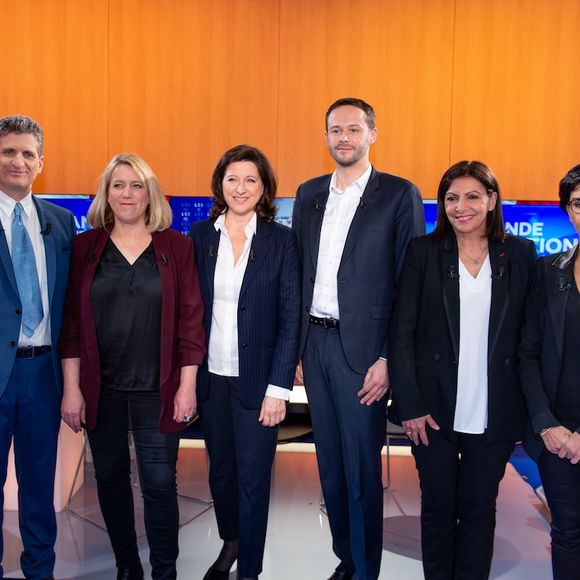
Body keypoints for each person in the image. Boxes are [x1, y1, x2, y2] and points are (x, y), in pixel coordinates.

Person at [292, 97, 424, 580]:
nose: (343, 137)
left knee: (363, 471)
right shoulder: (308, 195)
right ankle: (346, 559)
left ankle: (366, 569)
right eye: (334, 129)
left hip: (365, 353)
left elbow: (410, 284)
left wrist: (390, 355)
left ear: (372, 134)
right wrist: (298, 349)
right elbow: (299, 273)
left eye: (353, 128)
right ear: (325, 136)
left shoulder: (398, 194)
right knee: (329, 466)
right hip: (316, 344)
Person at [59, 153, 205, 580]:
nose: (127, 194)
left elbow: (191, 320)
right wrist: (72, 388)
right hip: (99, 389)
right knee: (110, 482)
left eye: (136, 185)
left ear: (150, 194)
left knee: (160, 485)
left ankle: (164, 570)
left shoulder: (176, 247)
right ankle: (127, 565)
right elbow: (70, 322)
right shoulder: (85, 248)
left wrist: (187, 385)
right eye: (118, 185)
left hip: (157, 391)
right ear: (106, 193)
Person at [389, 160, 537, 580]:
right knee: (437, 506)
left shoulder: (521, 254)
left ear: (492, 200)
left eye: (473, 196)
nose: (461, 207)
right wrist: (410, 405)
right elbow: (401, 334)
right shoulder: (423, 252)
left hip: (496, 409)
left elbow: (530, 338)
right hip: (432, 409)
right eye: (451, 198)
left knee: (477, 507)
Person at [190, 144, 300, 580]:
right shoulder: (200, 237)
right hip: (211, 378)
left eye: (251, 180)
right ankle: (231, 542)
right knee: (220, 475)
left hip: (258, 386)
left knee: (254, 481)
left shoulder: (281, 241)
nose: (241, 188)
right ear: (220, 184)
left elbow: (291, 319)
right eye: (232, 178)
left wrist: (279, 389)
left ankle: (249, 568)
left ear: (264, 188)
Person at [0, 114, 75, 580]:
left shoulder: (62, 223)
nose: (18, 161)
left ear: (41, 162)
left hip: (43, 375)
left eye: (28, 153)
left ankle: (39, 570)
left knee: (38, 484)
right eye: (9, 151)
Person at [519, 163, 580, 580]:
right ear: (568, 211)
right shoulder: (549, 270)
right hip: (557, 435)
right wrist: (546, 425)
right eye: (578, 204)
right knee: (568, 534)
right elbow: (528, 354)